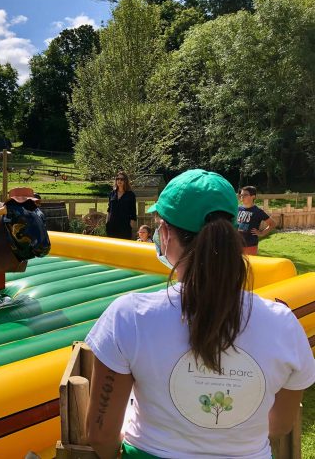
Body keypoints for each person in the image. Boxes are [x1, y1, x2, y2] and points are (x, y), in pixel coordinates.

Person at [85, 169, 315, 459]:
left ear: (165, 235)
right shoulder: (283, 324)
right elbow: (279, 425)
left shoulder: (129, 317)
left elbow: (100, 434)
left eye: (158, 226)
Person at [238, 186, 276, 255]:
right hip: (237, 244)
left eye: (245, 195)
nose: (242, 197)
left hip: (250, 245)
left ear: (253, 197)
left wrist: (262, 233)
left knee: (250, 265)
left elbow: (272, 224)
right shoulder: (238, 209)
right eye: (241, 195)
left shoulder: (258, 211)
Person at [106, 171, 137, 240]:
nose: (119, 181)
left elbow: (133, 213)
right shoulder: (112, 193)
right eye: (117, 179)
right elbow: (109, 210)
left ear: (125, 180)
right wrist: (107, 223)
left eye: (122, 179)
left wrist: (130, 227)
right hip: (112, 225)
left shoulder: (131, 195)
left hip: (124, 226)